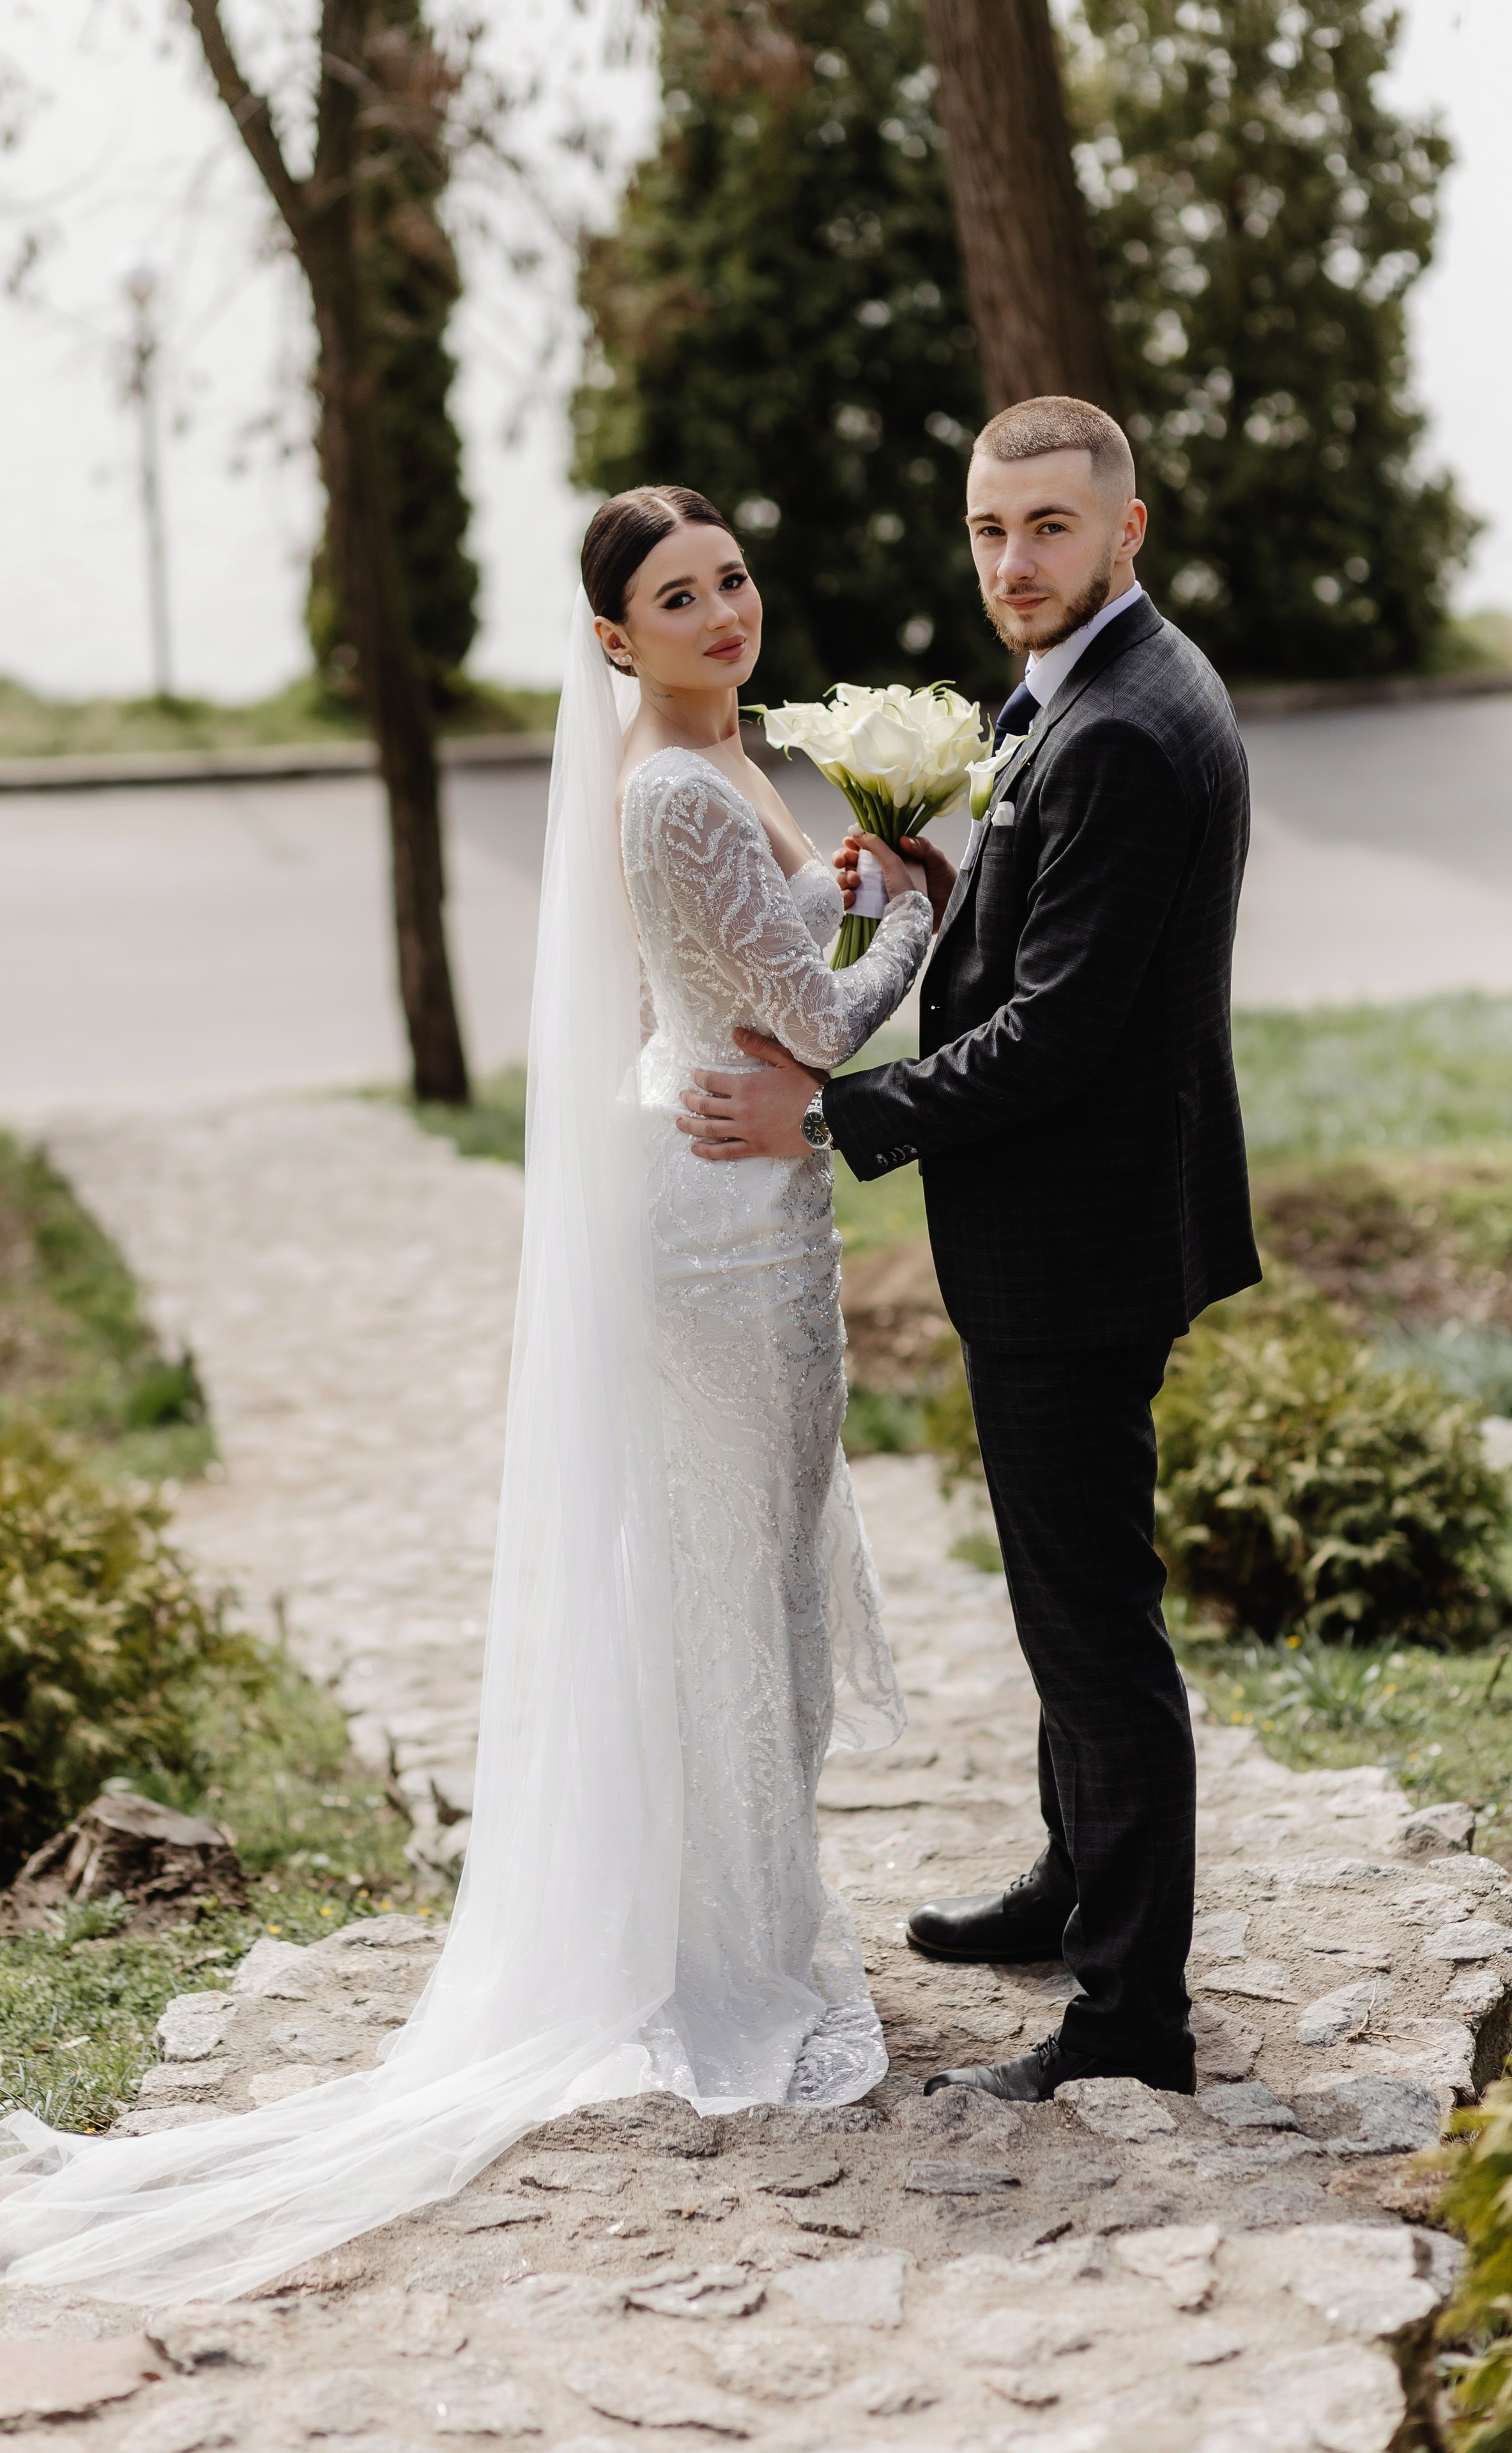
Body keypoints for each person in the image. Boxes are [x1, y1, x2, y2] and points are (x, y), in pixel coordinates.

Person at [0, 486, 931, 2305]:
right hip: (722, 1237)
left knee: (762, 1572)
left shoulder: (725, 756)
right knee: (740, 1589)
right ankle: (727, 1960)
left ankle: (754, 1921)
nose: (724, 612)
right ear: (614, 640)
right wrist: (923, 918)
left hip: (751, 1207)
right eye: (677, 598)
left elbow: (763, 949)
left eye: (731, 579)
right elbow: (814, 1025)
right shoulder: (669, 786)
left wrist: (856, 874)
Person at [676, 398, 1260, 2102]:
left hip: (1080, 1242)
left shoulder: (1125, 728)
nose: (1014, 562)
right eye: (991, 530)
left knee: (1093, 1629)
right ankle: (1071, 1887)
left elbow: (1059, 1033)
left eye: (1050, 529)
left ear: (1126, 530)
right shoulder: (1090, 686)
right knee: (1066, 1599)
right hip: (1089, 1217)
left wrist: (827, 1115)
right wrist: (944, 886)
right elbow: (1050, 941)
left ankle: (1131, 2019)